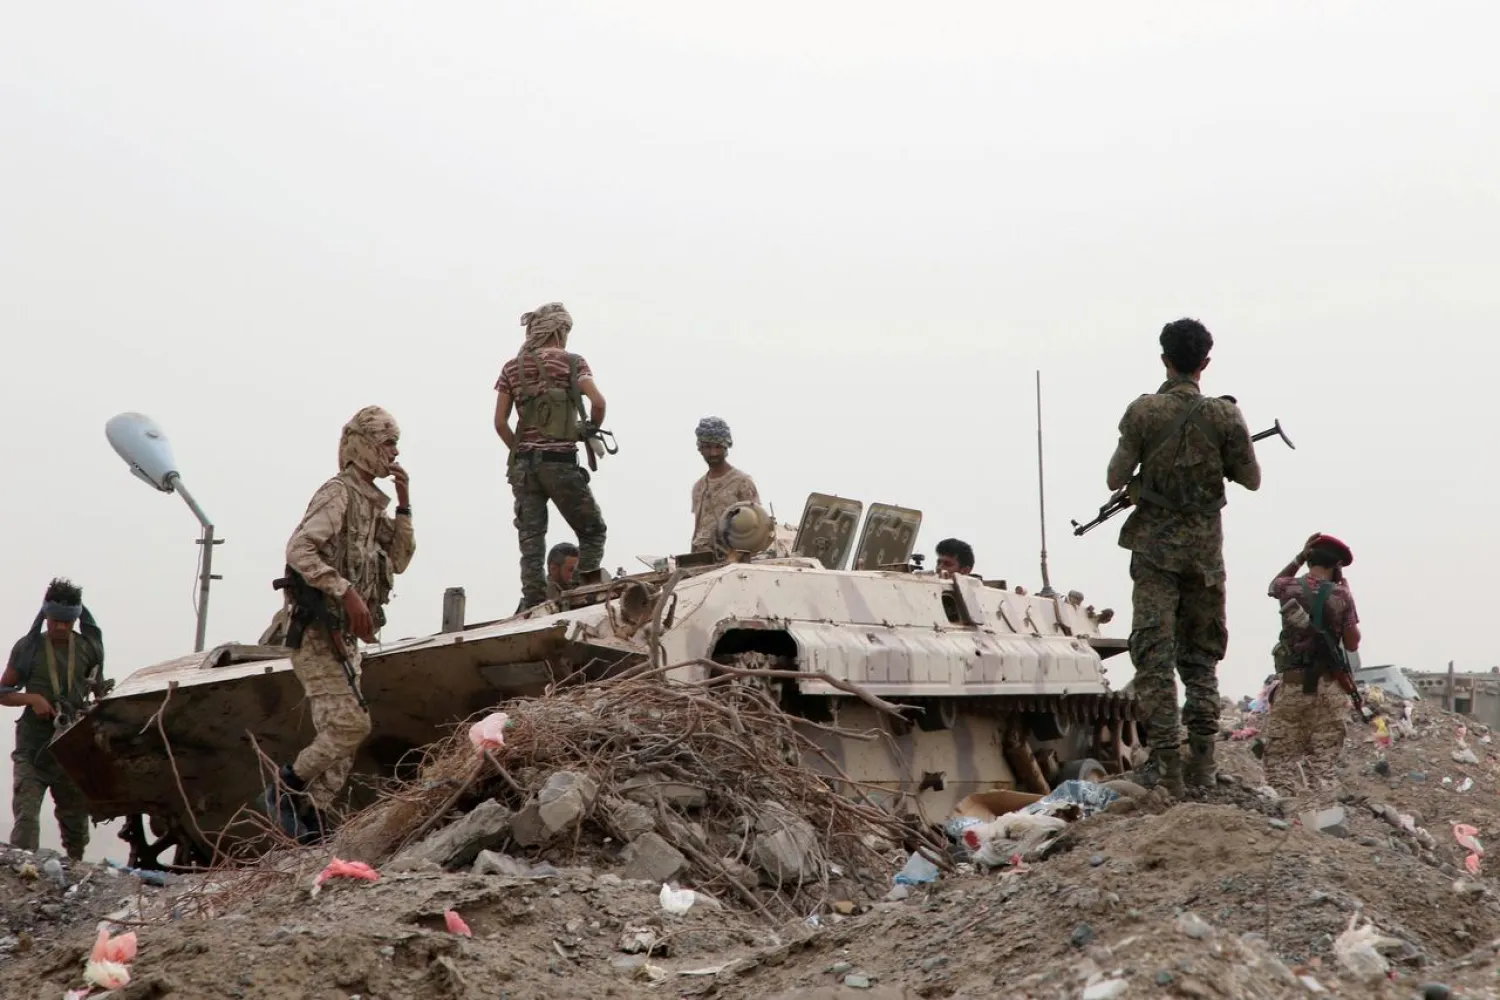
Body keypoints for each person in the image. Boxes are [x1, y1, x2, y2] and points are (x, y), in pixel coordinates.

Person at [1105, 318, 1262, 795]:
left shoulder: (1143, 413)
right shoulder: (1226, 417)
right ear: (1205, 363)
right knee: (1201, 661)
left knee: (1153, 656)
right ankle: (1204, 765)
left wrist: (1144, 482)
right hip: (1204, 559)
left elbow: (1115, 477)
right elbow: (1251, 479)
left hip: (1154, 555)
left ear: (1164, 359)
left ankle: (1166, 766)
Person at [262, 406, 416, 842]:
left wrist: (404, 506)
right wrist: (345, 592)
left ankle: (313, 814)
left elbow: (400, 560)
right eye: (388, 442)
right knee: (351, 726)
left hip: (343, 638)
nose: (395, 452)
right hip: (315, 632)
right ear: (365, 445)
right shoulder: (339, 494)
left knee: (345, 733)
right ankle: (286, 788)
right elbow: (300, 550)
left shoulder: (369, 504)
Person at [494, 302, 608, 609]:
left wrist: (520, 451)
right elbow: (598, 402)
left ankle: (534, 603)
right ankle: (585, 595)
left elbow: (500, 423)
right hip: (560, 463)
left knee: (531, 541)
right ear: (559, 329)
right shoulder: (572, 363)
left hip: (524, 469)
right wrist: (587, 430)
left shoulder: (511, 368)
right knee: (593, 530)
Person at [0, 578, 105, 859]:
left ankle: (74, 873)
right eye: (55, 620)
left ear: (75, 619)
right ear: (46, 615)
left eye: (66, 622)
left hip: (70, 749)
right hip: (33, 750)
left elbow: (99, 693)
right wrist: (31, 699)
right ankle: (23, 873)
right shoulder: (28, 648)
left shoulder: (89, 648)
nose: (60, 627)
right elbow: (3, 691)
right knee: (26, 819)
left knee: (75, 824)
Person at [1261, 533, 1361, 801]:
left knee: (1280, 761)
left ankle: (1284, 815)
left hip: (1293, 685)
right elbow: (1352, 644)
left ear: (1310, 559)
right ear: (1336, 565)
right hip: (1329, 689)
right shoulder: (1342, 595)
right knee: (1323, 763)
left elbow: (1272, 585)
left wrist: (1298, 558)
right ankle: (1321, 821)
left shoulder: (1288, 587)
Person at [690, 417, 759, 554]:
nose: (713, 453)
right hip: (702, 559)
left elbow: (756, 526)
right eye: (708, 447)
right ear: (701, 448)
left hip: (731, 559)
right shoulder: (699, 487)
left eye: (718, 446)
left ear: (726, 446)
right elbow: (698, 529)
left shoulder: (742, 482)